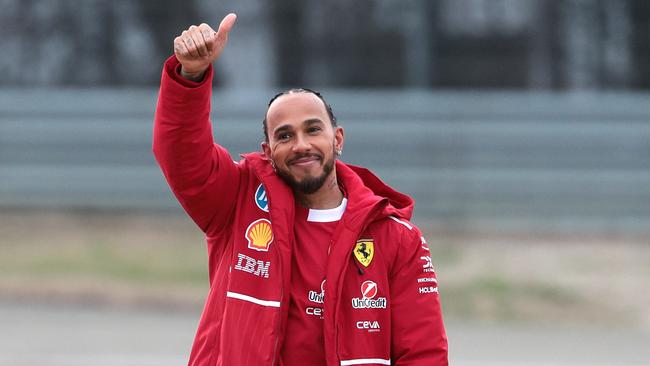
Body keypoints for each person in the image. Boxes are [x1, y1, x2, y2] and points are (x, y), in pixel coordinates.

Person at [153, 13, 448, 366]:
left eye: (313, 130)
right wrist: (191, 75)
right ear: (267, 152)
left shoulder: (398, 238)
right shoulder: (237, 200)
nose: (301, 145)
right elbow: (182, 154)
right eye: (285, 136)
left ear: (337, 139)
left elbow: (424, 354)